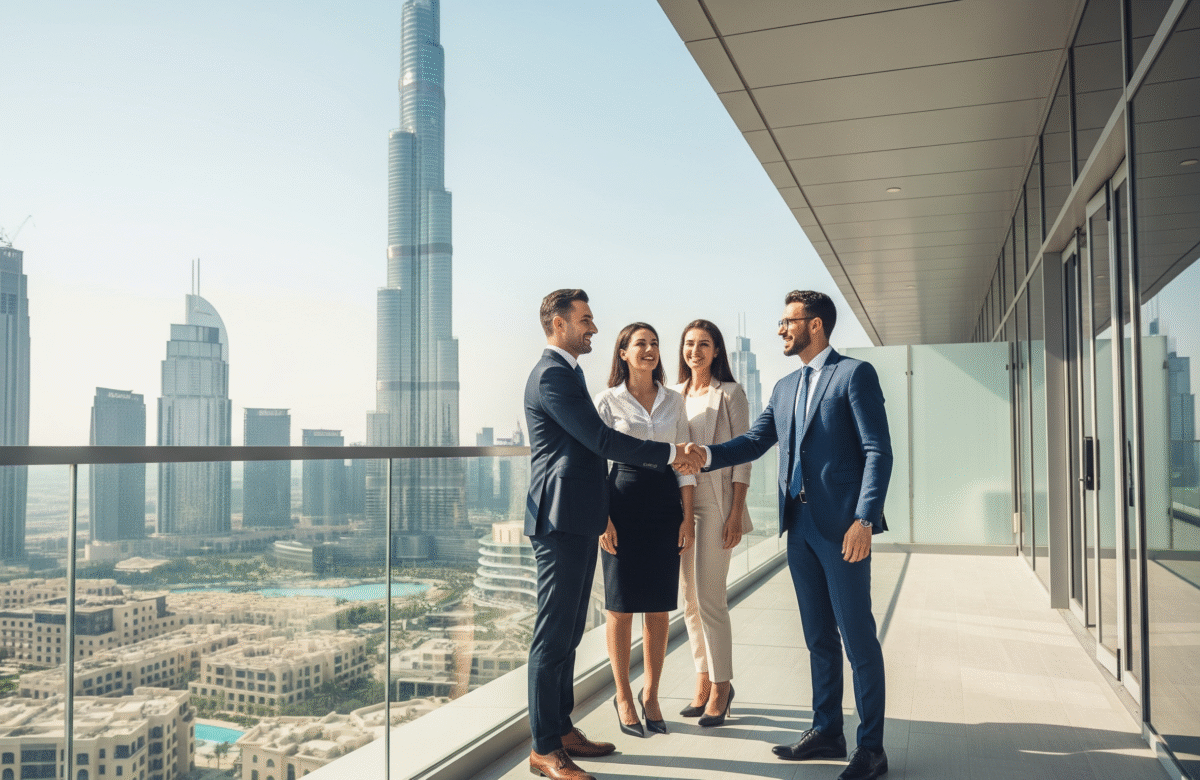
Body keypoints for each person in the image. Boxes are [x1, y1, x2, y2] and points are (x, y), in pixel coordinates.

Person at [677, 290, 892, 780]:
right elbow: (756, 441)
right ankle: (827, 731)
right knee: (818, 636)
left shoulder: (854, 375)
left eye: (787, 321)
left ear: (815, 325)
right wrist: (706, 455)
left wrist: (864, 519)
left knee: (858, 638)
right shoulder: (785, 385)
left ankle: (872, 749)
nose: (780, 329)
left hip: (843, 530)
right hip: (799, 529)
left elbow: (879, 451)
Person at [524, 289, 695, 780]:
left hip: (579, 515)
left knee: (571, 631)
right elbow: (598, 440)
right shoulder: (552, 376)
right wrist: (667, 454)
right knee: (552, 637)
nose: (593, 328)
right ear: (558, 324)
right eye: (585, 320)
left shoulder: (570, 373)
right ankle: (542, 749)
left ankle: (560, 729)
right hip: (558, 517)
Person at [594, 323, 695, 738]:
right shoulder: (606, 401)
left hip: (664, 503)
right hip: (620, 502)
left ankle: (651, 695)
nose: (650, 350)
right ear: (623, 353)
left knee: (658, 607)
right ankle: (622, 695)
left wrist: (687, 516)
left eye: (655, 343)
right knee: (618, 607)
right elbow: (593, 464)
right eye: (641, 344)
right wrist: (602, 517)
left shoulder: (675, 401)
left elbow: (686, 465)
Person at [671, 319, 752, 728]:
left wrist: (736, 513)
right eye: (689, 344)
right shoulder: (674, 395)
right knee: (688, 600)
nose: (695, 351)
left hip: (718, 503)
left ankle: (723, 686)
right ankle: (702, 679)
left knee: (711, 599)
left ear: (717, 350)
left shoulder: (731, 394)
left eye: (704, 344)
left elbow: (742, 455)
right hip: (682, 504)